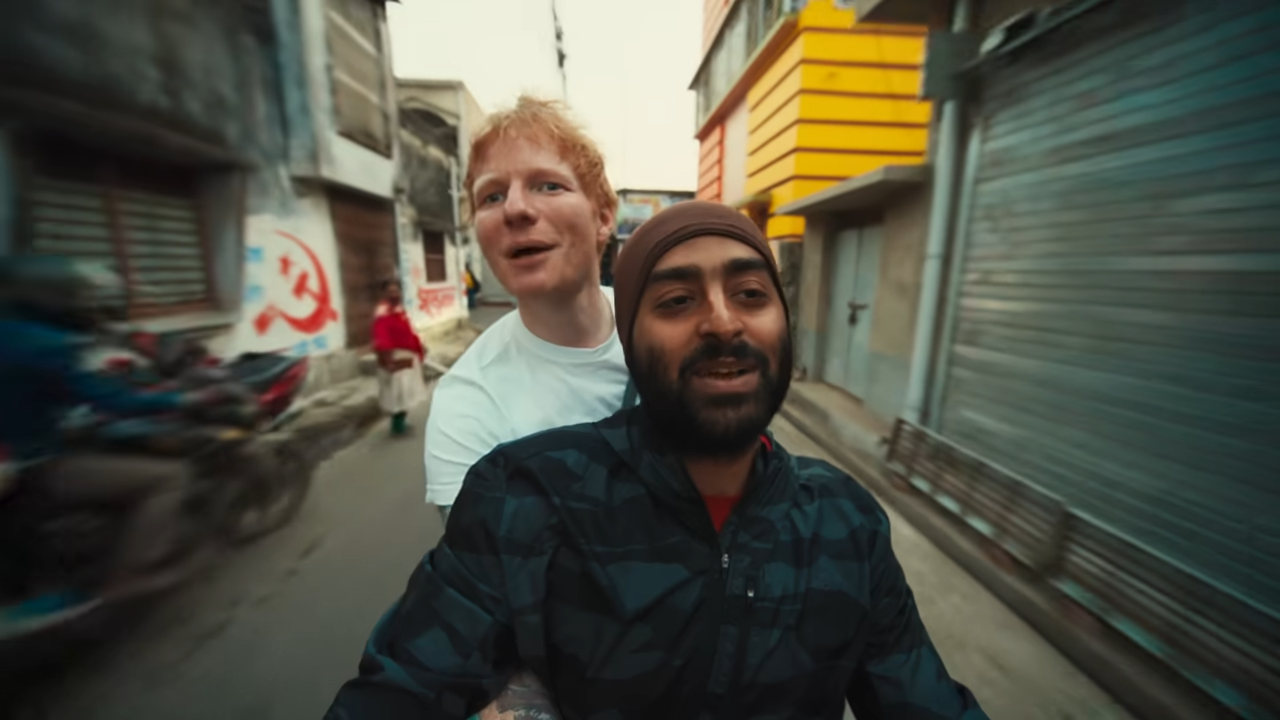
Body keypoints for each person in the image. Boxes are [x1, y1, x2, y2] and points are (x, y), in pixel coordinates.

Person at [326, 202, 988, 719]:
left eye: (752, 294)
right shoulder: (526, 495)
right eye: (677, 301)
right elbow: (403, 688)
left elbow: (919, 697)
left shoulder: (847, 523)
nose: (724, 322)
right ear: (631, 345)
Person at [423, 95, 628, 526]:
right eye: (492, 196)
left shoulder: (670, 328)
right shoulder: (468, 407)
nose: (515, 208)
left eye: (548, 185)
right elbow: (499, 578)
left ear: (603, 217)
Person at [0, 256, 234, 584]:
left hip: (34, 445)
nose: (90, 309)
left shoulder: (51, 338)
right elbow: (111, 399)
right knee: (170, 478)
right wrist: (180, 399)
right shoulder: (46, 345)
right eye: (81, 300)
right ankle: (132, 576)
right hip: (34, 461)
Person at [373, 278, 428, 436]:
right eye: (390, 291)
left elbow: (407, 331)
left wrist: (419, 347)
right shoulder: (383, 312)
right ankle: (397, 426)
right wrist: (388, 359)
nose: (394, 294)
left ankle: (402, 422)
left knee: (406, 393)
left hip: (407, 357)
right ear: (384, 293)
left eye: (396, 291)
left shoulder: (398, 310)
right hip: (396, 358)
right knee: (397, 394)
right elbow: (381, 336)